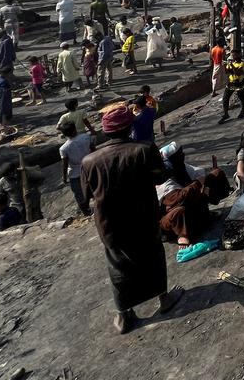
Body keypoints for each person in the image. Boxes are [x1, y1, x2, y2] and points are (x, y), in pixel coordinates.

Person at [80, 104, 184, 335]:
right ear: (129, 127)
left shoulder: (89, 161)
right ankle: (164, 298)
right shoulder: (144, 149)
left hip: (110, 223)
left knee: (118, 264)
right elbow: (161, 176)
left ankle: (124, 313)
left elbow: (87, 195)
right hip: (142, 216)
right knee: (152, 255)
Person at [59, 120, 93, 216]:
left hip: (75, 173)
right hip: (89, 167)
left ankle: (86, 213)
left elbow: (65, 164)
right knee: (94, 188)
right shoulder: (86, 137)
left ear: (63, 134)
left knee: (79, 195)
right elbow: (93, 149)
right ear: (75, 129)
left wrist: (64, 177)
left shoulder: (63, 148)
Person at [219, 49, 244, 123]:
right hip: (231, 82)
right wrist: (225, 65)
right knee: (225, 97)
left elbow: (238, 73)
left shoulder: (243, 63)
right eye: (232, 55)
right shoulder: (232, 63)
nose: (233, 57)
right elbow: (227, 72)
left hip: (239, 82)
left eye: (235, 55)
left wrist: (231, 65)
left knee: (241, 96)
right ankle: (226, 113)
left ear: (239, 55)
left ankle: (242, 110)